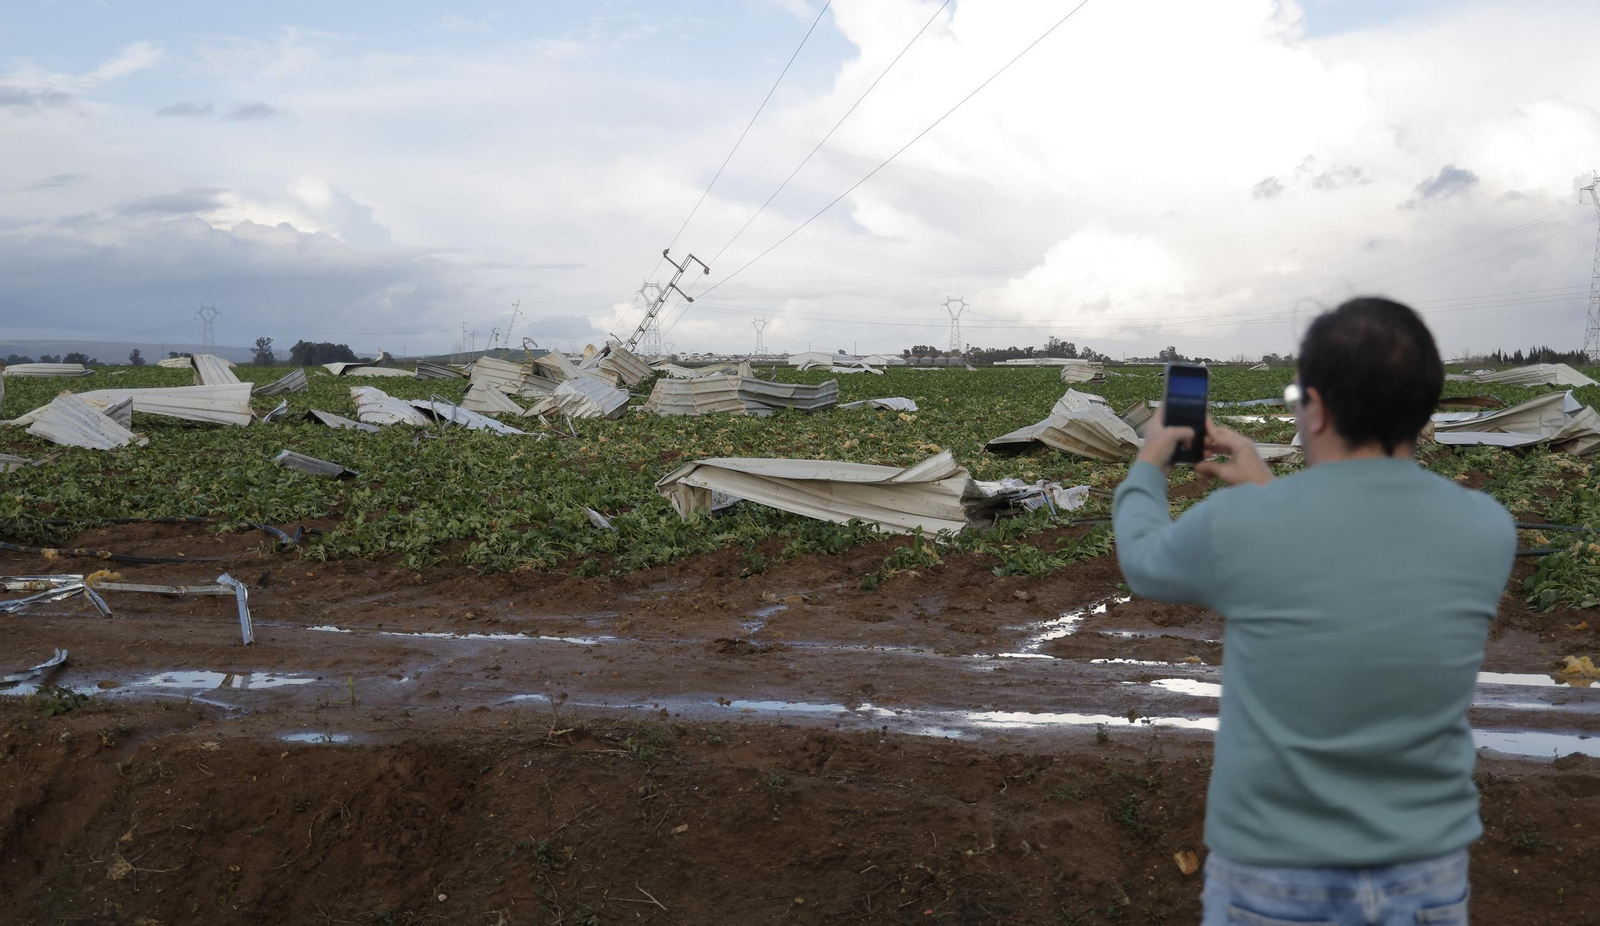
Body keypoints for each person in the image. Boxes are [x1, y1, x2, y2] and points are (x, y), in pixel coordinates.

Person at [1112, 297, 1514, 926]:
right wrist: (1266, 489)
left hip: (1274, 876)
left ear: (1317, 407)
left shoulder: (1244, 524)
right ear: (1423, 406)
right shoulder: (1488, 528)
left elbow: (1143, 560)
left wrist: (1149, 461)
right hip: (1427, 877)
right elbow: (1352, 561)